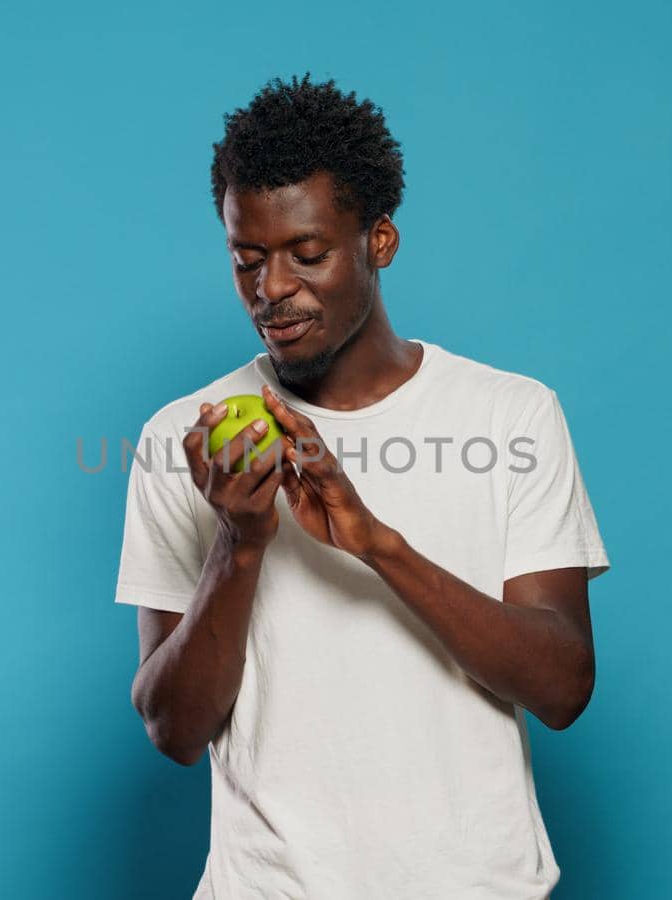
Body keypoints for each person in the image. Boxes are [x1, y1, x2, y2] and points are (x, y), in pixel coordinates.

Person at [114, 72, 610, 899]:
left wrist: (378, 545)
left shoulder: (510, 417)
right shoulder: (185, 438)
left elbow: (563, 688)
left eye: (307, 254)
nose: (271, 290)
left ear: (379, 241)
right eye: (248, 259)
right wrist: (239, 546)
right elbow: (174, 729)